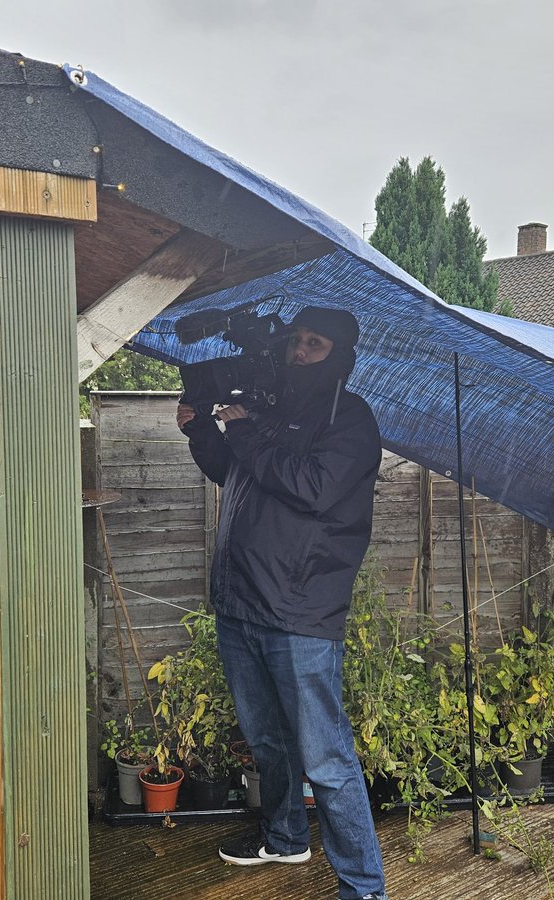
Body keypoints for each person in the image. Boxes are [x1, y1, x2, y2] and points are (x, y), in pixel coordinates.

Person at [175, 306, 387, 900]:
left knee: (325, 757)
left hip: (298, 613)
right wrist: (203, 430)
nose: (299, 352)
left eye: (314, 345)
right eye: (296, 341)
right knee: (266, 738)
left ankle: (364, 888)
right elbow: (234, 472)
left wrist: (243, 428)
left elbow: (310, 487)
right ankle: (287, 836)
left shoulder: (350, 421)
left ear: (340, 355)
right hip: (241, 601)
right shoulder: (272, 408)